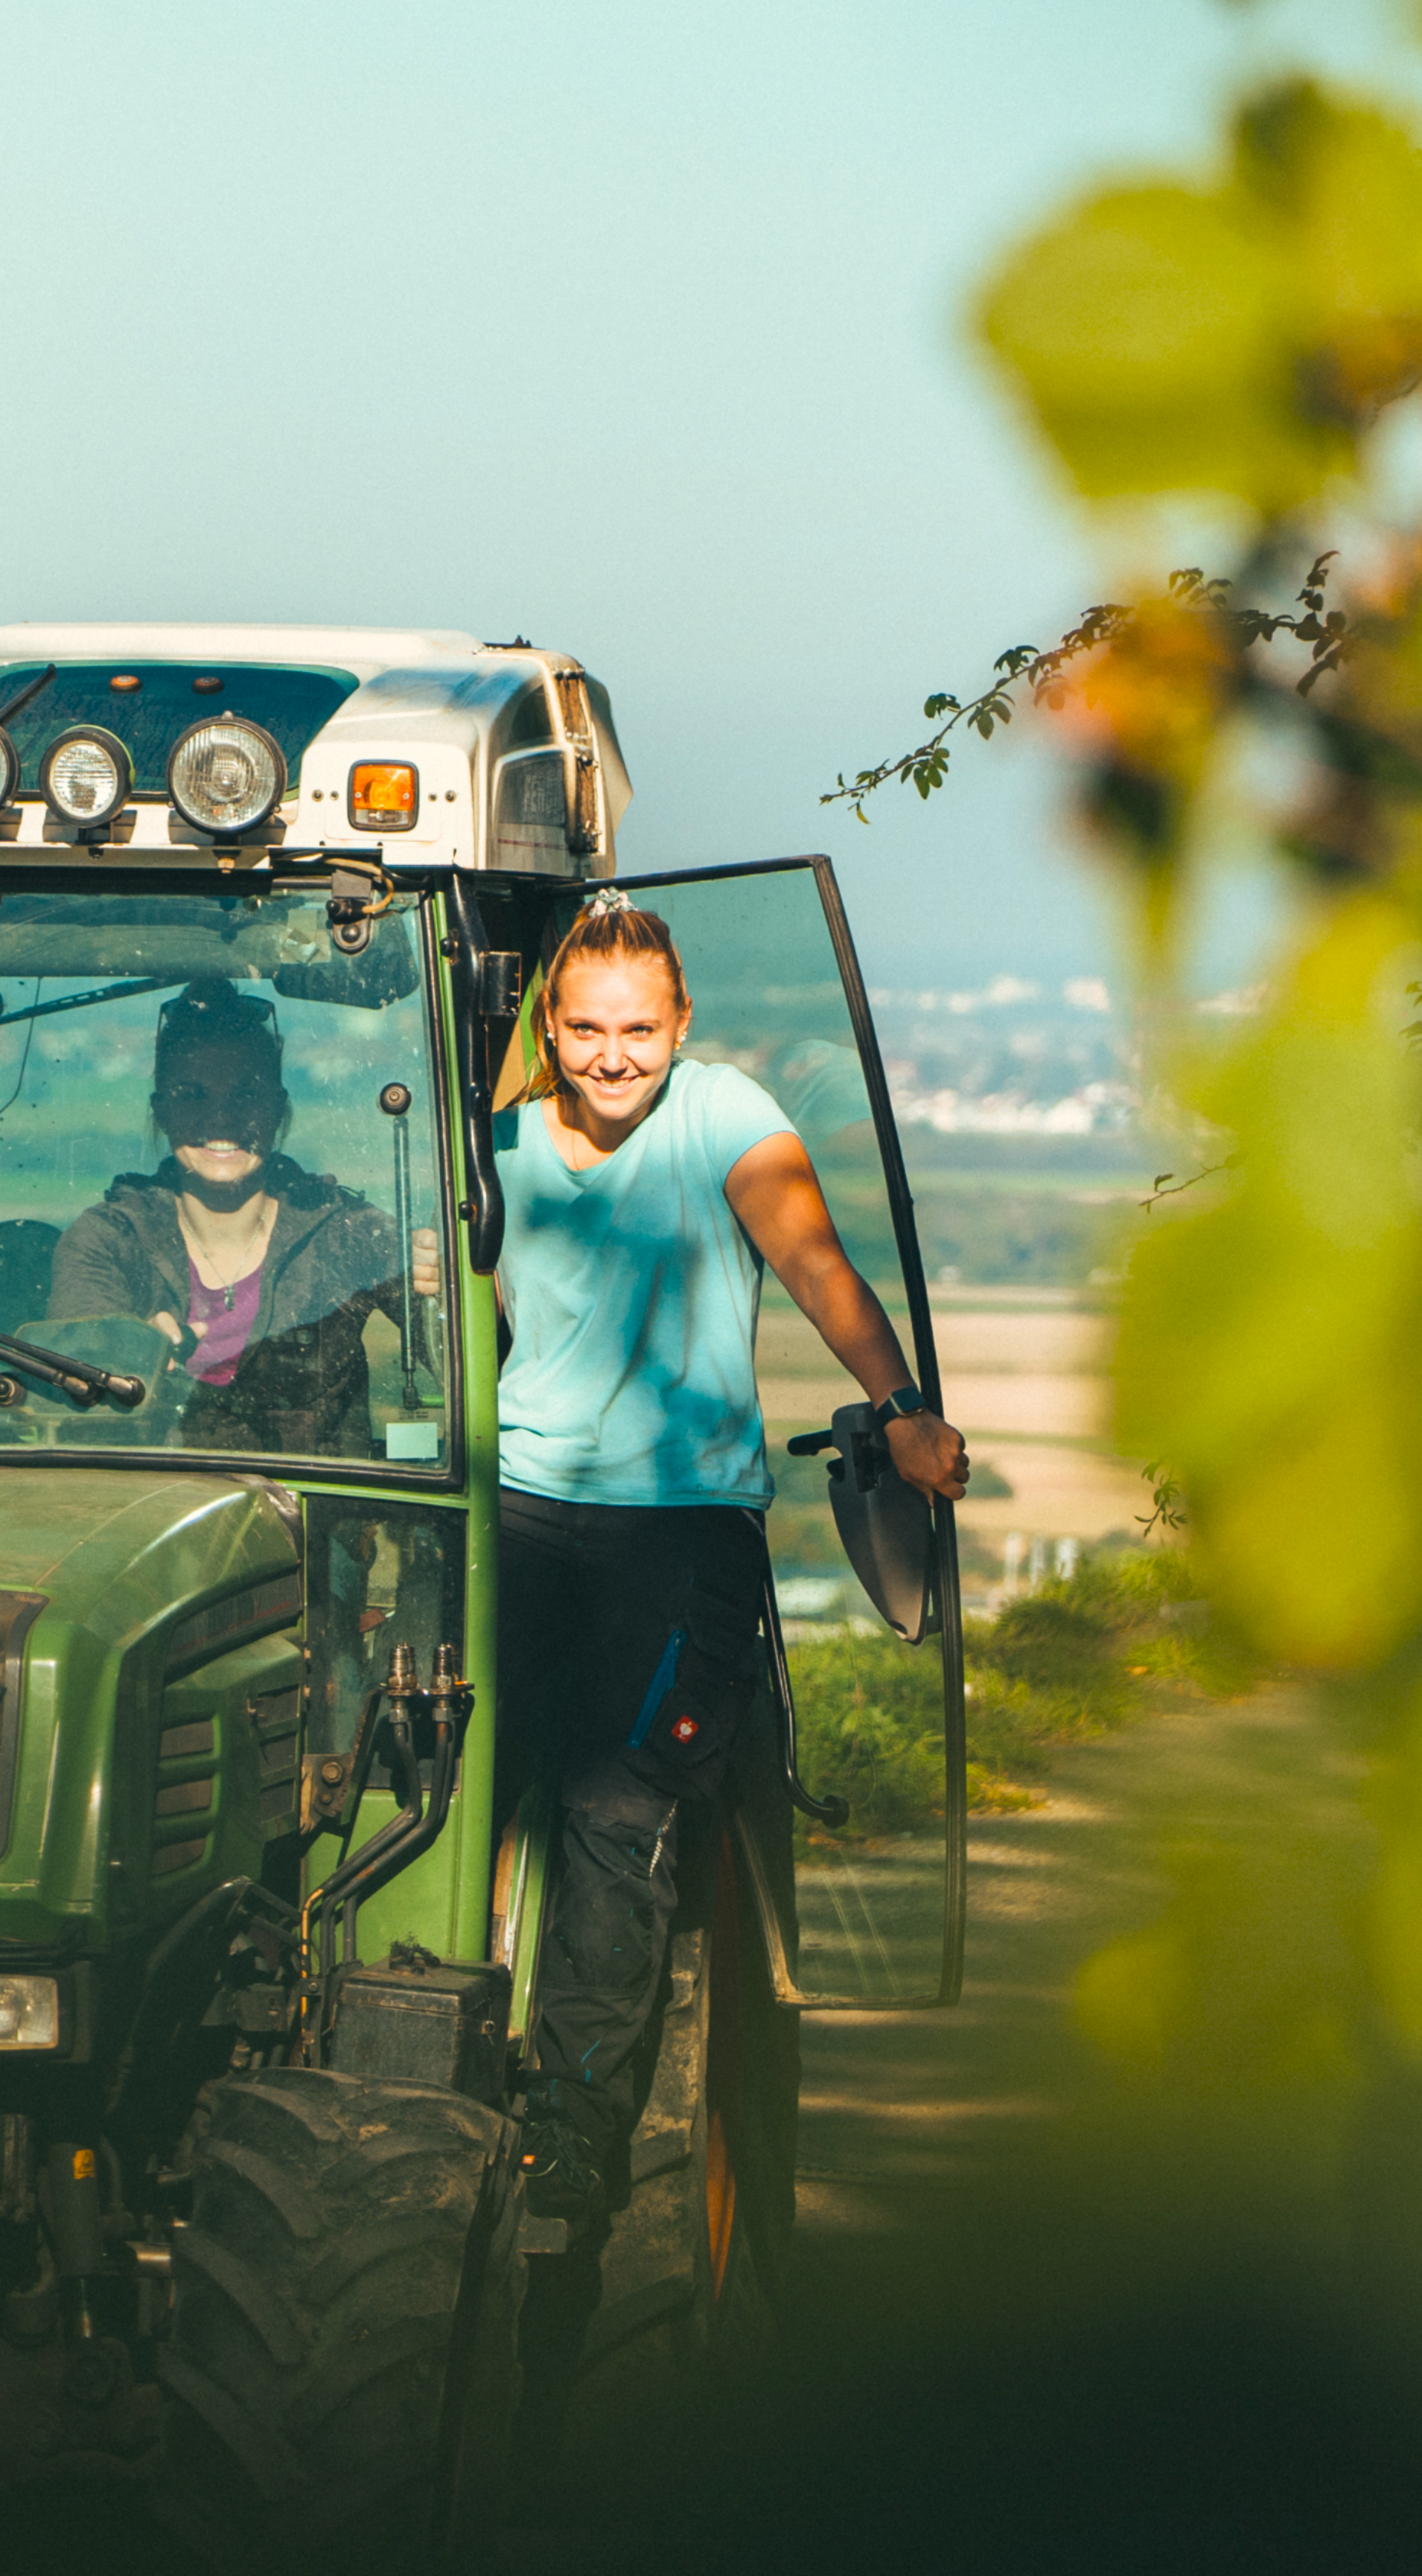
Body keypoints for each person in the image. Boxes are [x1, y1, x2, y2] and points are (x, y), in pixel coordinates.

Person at [491, 898, 967, 2226]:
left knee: (617, 1814)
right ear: (549, 1024)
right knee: (463, 1775)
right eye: (585, 1027)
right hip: (519, 1510)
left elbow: (812, 1266)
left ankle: (576, 2131)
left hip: (677, 1528)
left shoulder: (721, 1116)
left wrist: (898, 1405)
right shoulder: (503, 1147)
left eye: (638, 1028)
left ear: (679, 1022)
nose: (612, 1055)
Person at [46, 979, 433, 1455]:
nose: (221, 1118)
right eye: (193, 1095)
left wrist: (442, 1279)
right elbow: (73, 1376)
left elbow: (466, 1353)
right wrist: (127, 1348)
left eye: (246, 1094)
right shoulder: (107, 1241)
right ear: (161, 1110)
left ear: (278, 1108)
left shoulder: (343, 1232)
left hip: (316, 1516)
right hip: (148, 1501)